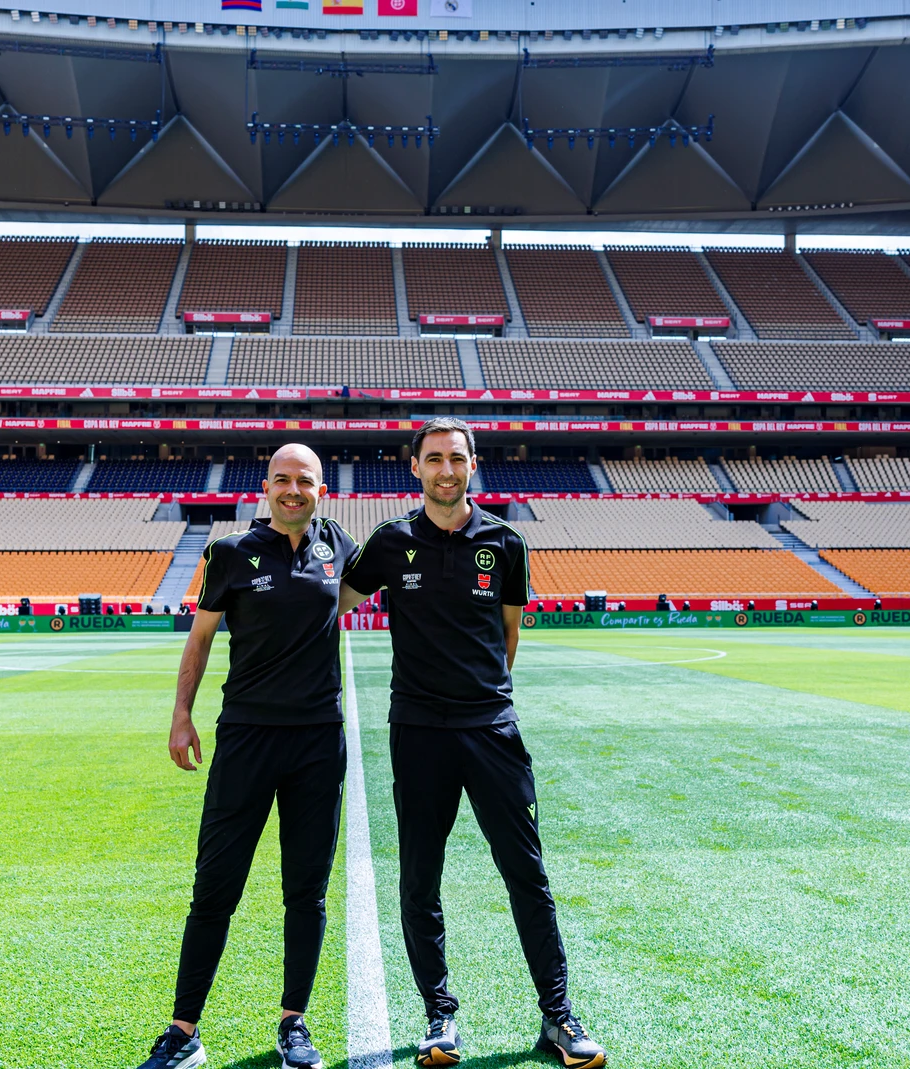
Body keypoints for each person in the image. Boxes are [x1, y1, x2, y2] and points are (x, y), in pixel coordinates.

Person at [343, 417, 606, 1069]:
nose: (446, 469)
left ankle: (557, 1015)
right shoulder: (391, 540)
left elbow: (508, 635)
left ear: (473, 464)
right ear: (415, 467)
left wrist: (482, 696)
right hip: (419, 733)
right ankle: (439, 1017)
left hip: (493, 731)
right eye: (434, 458)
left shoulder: (506, 542)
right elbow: (335, 601)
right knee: (419, 878)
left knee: (528, 875)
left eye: (456, 458)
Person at [135, 444, 362, 1069]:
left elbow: (363, 594)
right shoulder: (230, 552)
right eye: (283, 480)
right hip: (245, 737)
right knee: (214, 887)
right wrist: (182, 715)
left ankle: (295, 1023)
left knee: (306, 891)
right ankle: (183, 1031)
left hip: (319, 741)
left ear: (322, 488)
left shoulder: (338, 546)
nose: (294, 491)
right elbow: (201, 637)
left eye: (306, 481)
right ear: (266, 487)